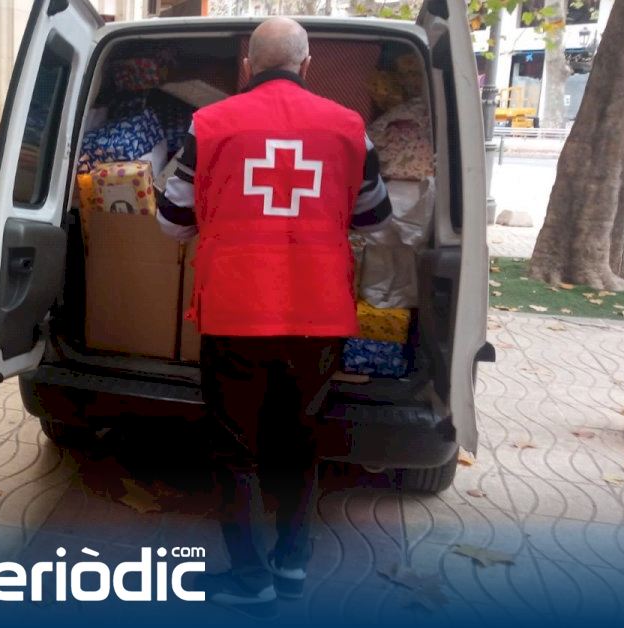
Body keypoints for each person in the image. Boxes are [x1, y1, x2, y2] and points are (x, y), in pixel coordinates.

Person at [156, 18, 393, 616]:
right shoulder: (349, 127)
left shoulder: (209, 125)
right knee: (300, 441)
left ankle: (249, 578)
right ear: (307, 65)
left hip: (235, 312)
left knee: (235, 448)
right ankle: (291, 564)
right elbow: (376, 219)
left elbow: (171, 220)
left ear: (247, 66)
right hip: (319, 314)